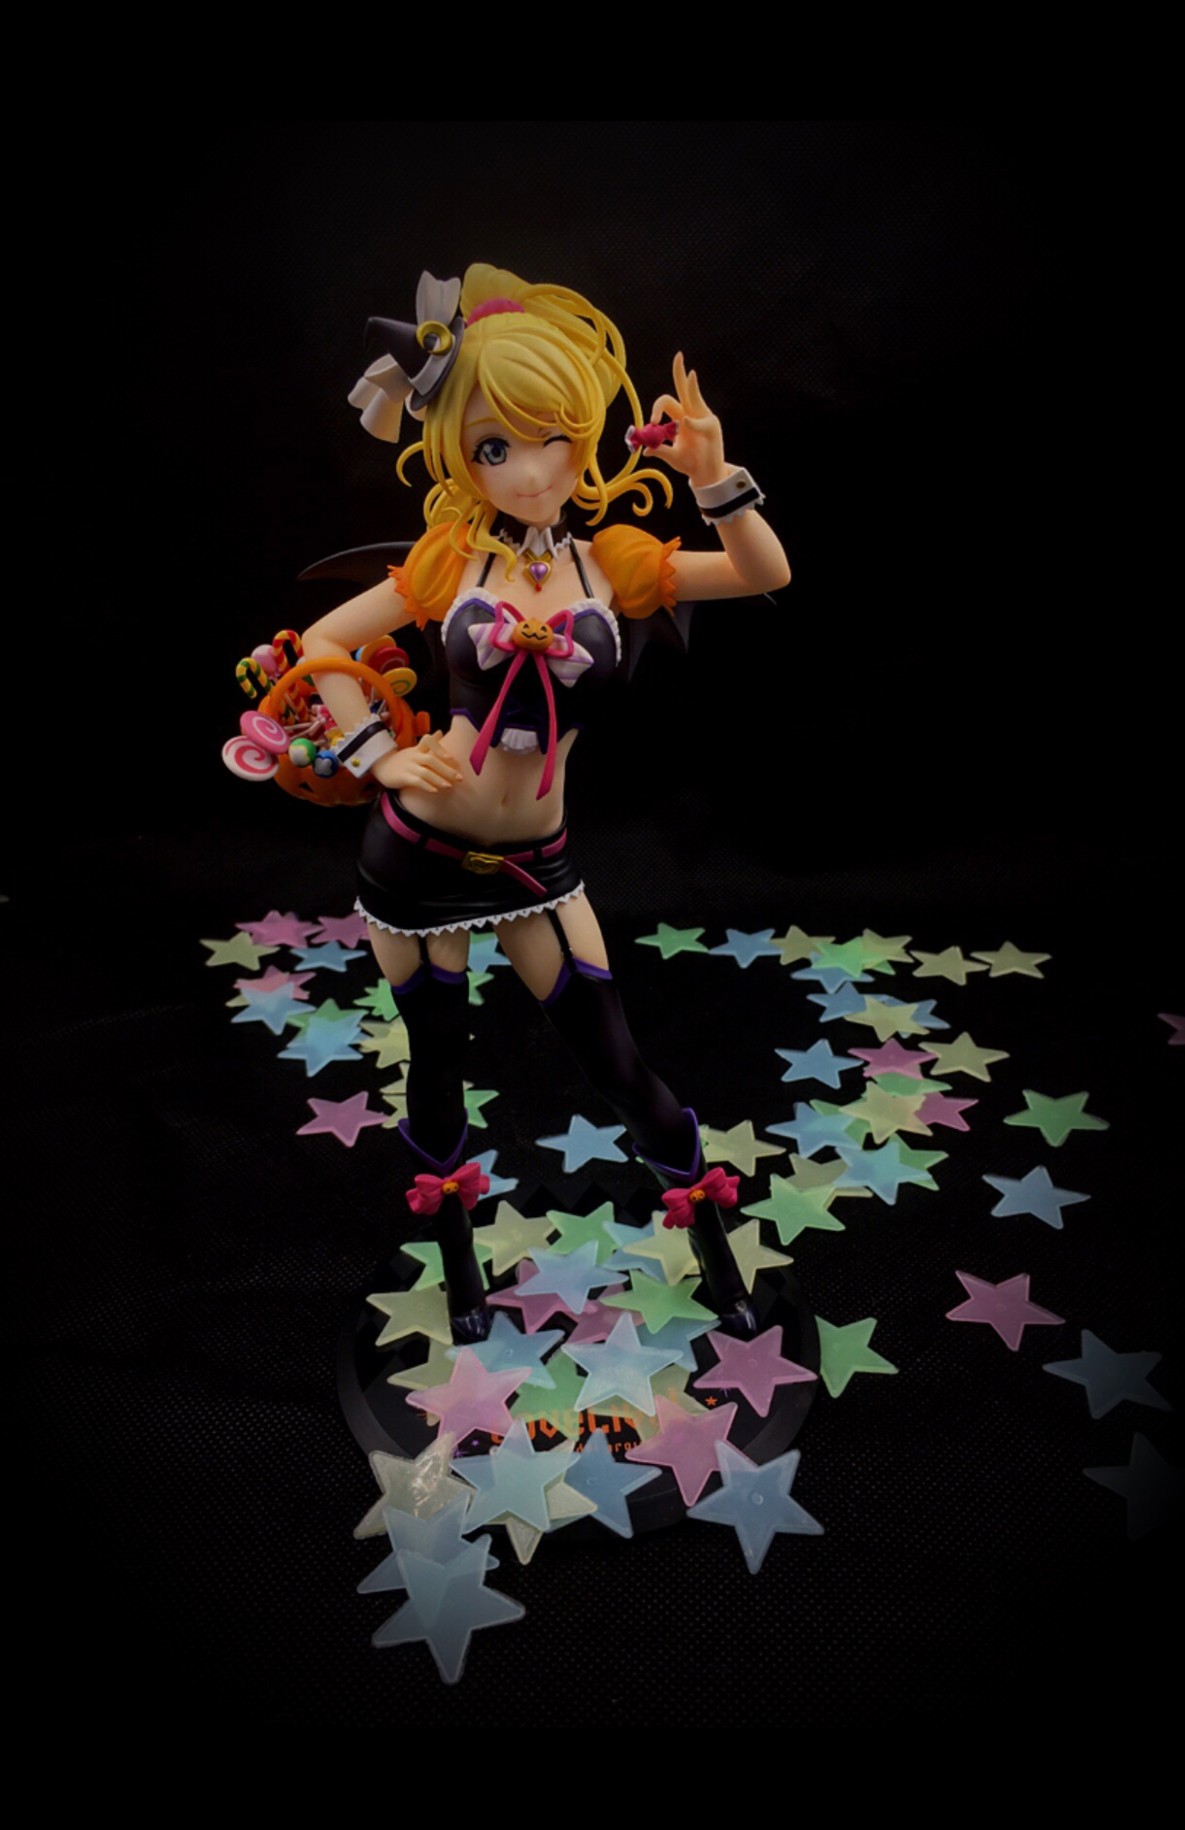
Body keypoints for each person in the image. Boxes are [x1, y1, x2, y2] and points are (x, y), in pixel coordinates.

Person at [301, 263, 790, 1345]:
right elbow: (325, 642)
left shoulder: (614, 561)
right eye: (493, 448)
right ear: (455, 453)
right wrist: (380, 754)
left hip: (539, 866)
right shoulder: (448, 559)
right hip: (415, 855)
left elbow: (764, 574)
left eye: (553, 438)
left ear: (587, 435)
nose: (528, 471)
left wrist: (716, 477)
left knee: (617, 1062)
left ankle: (717, 1258)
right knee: (438, 1064)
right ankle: (461, 1276)